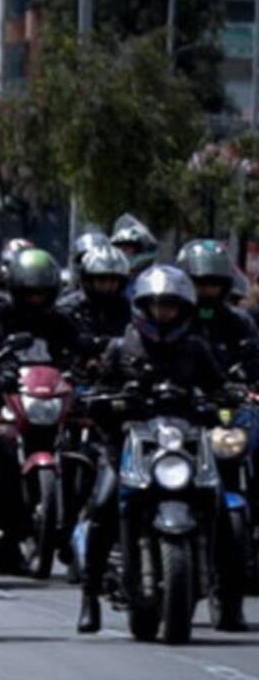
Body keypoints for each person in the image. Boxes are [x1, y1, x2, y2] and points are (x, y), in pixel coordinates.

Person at [78, 266, 232, 633]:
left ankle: (228, 598)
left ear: (184, 309)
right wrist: (106, 403)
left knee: (222, 509)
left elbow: (220, 388)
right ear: (142, 307)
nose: (163, 313)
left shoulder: (195, 347)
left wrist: (227, 401)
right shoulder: (122, 346)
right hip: (128, 447)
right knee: (101, 506)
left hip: (183, 447)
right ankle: (88, 597)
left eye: (171, 306)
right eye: (156, 305)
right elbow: (96, 394)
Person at [175, 239, 259, 381]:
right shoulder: (172, 319)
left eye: (215, 283)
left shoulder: (239, 321)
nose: (209, 290)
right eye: (201, 283)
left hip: (230, 398)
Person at [0, 247, 88, 366]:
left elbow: (78, 348)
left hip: (53, 383)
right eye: (29, 293)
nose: (35, 299)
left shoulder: (60, 322)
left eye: (42, 294)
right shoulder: (0, 317)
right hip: (8, 382)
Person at [57, 245, 132, 360]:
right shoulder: (67, 310)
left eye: (113, 280)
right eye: (102, 280)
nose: (108, 286)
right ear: (88, 279)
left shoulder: (130, 311)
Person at [110, 214, 159, 279]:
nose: (121, 252)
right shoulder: (113, 278)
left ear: (138, 249)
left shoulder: (153, 276)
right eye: (119, 248)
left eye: (125, 248)